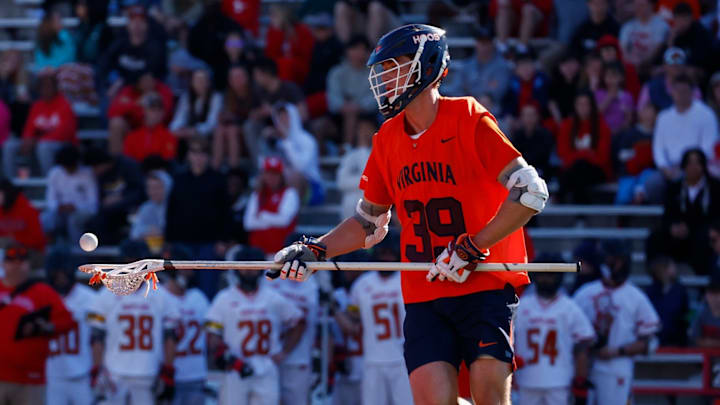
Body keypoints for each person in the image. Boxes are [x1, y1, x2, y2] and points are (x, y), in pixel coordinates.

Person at [271, 24, 549, 405]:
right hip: (425, 290)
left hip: (484, 285)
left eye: (395, 65)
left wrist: (472, 246)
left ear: (428, 66)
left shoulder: (468, 117)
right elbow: (369, 225)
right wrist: (315, 251)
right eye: (382, 69)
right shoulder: (387, 139)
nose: (385, 77)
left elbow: (531, 193)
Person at [205, 247, 306, 405]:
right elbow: (212, 335)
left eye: (253, 267)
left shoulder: (272, 297)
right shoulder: (224, 298)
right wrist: (224, 356)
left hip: (266, 367)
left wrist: (284, 352)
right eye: (245, 267)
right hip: (235, 368)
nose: (249, 272)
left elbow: (298, 321)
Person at [573, 240, 660, 405]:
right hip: (584, 367)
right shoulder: (585, 294)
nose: (619, 266)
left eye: (621, 261)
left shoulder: (636, 297)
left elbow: (650, 342)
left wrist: (617, 351)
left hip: (617, 368)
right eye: (615, 261)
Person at [334, 234, 414, 405]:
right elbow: (353, 320)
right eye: (382, 253)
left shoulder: (407, 279)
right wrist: (336, 310)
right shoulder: (362, 284)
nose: (386, 258)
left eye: (390, 253)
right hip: (372, 359)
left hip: (403, 358)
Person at [514, 256, 595, 405]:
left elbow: (583, 346)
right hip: (527, 379)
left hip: (559, 380)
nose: (546, 279)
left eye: (551, 274)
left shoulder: (570, 308)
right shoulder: (522, 306)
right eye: (543, 274)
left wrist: (580, 381)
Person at [0, 244, 73, 405]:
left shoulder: (42, 291)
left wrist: (47, 327)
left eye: (22, 261)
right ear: (4, 264)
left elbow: (67, 321)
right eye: (12, 261)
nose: (17, 265)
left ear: (29, 265)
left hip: (30, 377)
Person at [87, 279, 179, 404]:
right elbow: (97, 337)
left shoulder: (160, 295)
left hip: (146, 372)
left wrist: (168, 371)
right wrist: (97, 369)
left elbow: (170, 337)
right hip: (116, 374)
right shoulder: (107, 294)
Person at [165, 137, 230, 297]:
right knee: (179, 287)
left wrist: (223, 240)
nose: (198, 157)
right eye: (194, 152)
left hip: (209, 243)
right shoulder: (179, 179)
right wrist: (169, 242)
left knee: (208, 287)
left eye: (202, 153)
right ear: (189, 155)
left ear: (207, 156)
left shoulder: (218, 179)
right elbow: (172, 212)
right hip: (182, 242)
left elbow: (225, 212)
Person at [648, 149, 720, 273]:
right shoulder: (674, 188)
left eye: (697, 163)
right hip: (679, 235)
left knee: (706, 238)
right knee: (655, 237)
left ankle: (703, 282)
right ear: (683, 166)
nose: (693, 167)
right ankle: (659, 276)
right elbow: (667, 216)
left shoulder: (715, 187)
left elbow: (717, 217)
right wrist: (673, 227)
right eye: (689, 163)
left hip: (704, 235)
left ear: (703, 166)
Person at [265, 250, 319, 405]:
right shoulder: (271, 277)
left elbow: (305, 322)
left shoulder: (313, 285)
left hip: (299, 357)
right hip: (271, 357)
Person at [45, 251, 96, 405]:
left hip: (83, 372)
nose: (61, 277)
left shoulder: (90, 299)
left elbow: (101, 330)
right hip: (52, 375)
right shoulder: (42, 298)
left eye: (64, 271)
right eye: (57, 272)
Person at [3, 71, 77, 178]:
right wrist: (27, 139)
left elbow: (64, 133)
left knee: (43, 147)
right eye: (42, 87)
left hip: (62, 144)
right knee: (9, 146)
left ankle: (49, 182)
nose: (45, 90)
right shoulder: (37, 106)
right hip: (39, 141)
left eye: (49, 86)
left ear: (56, 88)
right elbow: (29, 128)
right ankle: (11, 184)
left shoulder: (65, 105)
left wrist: (37, 140)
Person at [653, 74, 718, 183]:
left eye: (684, 91)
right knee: (653, 184)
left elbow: (709, 146)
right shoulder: (663, 117)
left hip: (698, 166)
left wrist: (689, 166)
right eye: (677, 91)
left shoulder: (706, 114)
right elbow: (658, 148)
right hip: (669, 168)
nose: (681, 94)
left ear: (692, 92)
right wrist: (664, 168)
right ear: (671, 92)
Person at [161, 269, 209, 405]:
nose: (188, 275)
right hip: (167, 373)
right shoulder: (159, 296)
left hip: (195, 372)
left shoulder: (198, 297)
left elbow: (211, 334)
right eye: (184, 271)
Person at [556, 90, 612, 203]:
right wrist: (587, 154)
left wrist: (579, 156)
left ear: (592, 106)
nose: (583, 107)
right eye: (580, 104)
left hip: (596, 171)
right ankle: (581, 216)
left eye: (586, 104)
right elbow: (563, 154)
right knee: (579, 171)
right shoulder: (567, 125)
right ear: (575, 106)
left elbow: (602, 157)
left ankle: (559, 198)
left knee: (580, 168)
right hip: (574, 170)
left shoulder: (601, 126)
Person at [441, 27, 512, 112]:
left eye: (487, 43)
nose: (484, 47)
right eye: (481, 42)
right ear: (477, 43)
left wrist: (482, 99)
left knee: (486, 101)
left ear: (492, 43)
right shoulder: (467, 65)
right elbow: (456, 89)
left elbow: (498, 92)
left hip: (494, 111)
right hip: (468, 109)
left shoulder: (502, 66)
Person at [326, 35, 377, 149]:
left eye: (363, 49)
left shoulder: (376, 72)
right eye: (355, 49)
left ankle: (346, 149)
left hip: (367, 116)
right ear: (347, 51)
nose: (359, 53)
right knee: (319, 126)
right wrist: (345, 107)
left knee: (355, 118)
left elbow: (376, 99)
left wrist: (357, 107)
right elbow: (333, 101)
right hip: (337, 117)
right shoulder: (336, 72)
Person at [42, 144, 98, 243]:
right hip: (60, 211)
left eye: (71, 166)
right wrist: (58, 207)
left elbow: (93, 203)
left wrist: (76, 207)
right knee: (45, 219)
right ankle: (47, 249)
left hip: (83, 211)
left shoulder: (88, 174)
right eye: (65, 166)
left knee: (73, 220)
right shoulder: (55, 173)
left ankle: (77, 253)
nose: (68, 169)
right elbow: (50, 199)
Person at [244, 157, 300, 255]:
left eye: (275, 174)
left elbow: (284, 221)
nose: (271, 177)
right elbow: (248, 223)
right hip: (258, 253)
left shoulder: (290, 193)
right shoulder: (257, 195)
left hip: (282, 253)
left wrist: (262, 216)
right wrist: (272, 220)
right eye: (268, 173)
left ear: (281, 176)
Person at [214, 65, 253, 169]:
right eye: (233, 77)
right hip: (231, 127)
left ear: (246, 78)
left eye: (239, 76)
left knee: (232, 130)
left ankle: (233, 169)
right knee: (220, 130)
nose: (236, 80)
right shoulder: (227, 94)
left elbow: (253, 115)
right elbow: (224, 115)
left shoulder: (254, 93)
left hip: (247, 129)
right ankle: (215, 167)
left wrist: (235, 117)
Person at [644, 256, 689, 346]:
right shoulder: (650, 291)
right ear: (662, 269)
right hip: (655, 338)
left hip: (677, 340)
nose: (675, 269)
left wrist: (685, 329)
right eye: (671, 266)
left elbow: (687, 313)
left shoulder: (680, 290)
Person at [123, 92, 179, 163]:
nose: (156, 113)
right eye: (152, 109)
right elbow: (127, 161)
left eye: (159, 110)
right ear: (144, 111)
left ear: (163, 113)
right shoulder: (131, 137)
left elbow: (168, 160)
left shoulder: (170, 137)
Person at [337, 117, 375, 219]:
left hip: (374, 204)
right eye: (361, 129)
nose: (364, 133)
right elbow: (341, 182)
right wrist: (364, 181)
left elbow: (374, 182)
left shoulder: (381, 153)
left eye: (367, 128)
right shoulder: (350, 155)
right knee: (350, 199)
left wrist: (363, 149)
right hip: (352, 203)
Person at [169, 67, 223, 140]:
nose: (200, 83)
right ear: (192, 82)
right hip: (188, 134)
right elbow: (179, 118)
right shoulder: (186, 97)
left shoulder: (216, 98)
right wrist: (177, 129)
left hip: (209, 136)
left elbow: (212, 123)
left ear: (208, 82)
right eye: (197, 80)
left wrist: (195, 130)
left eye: (203, 80)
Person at [619, 0, 669, 74]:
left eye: (642, 5)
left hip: (651, 68)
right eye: (636, 5)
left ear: (651, 5)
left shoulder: (661, 25)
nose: (638, 8)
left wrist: (639, 61)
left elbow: (654, 51)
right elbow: (623, 51)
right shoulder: (627, 26)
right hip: (631, 68)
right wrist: (632, 61)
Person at [129, 170, 172, 251]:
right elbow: (134, 233)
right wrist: (148, 231)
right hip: (148, 247)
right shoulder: (146, 207)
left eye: (157, 187)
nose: (153, 192)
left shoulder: (176, 206)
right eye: (150, 187)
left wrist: (162, 232)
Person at [595, 62, 634, 134]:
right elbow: (597, 112)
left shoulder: (627, 96)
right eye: (607, 75)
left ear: (622, 77)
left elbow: (629, 118)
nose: (610, 79)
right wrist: (609, 97)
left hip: (621, 133)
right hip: (602, 132)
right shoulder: (599, 93)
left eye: (614, 76)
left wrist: (620, 129)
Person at [690, 272, 720, 347]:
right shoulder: (697, 312)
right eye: (710, 294)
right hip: (702, 355)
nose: (713, 299)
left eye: (716, 294)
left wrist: (711, 343)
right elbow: (695, 339)